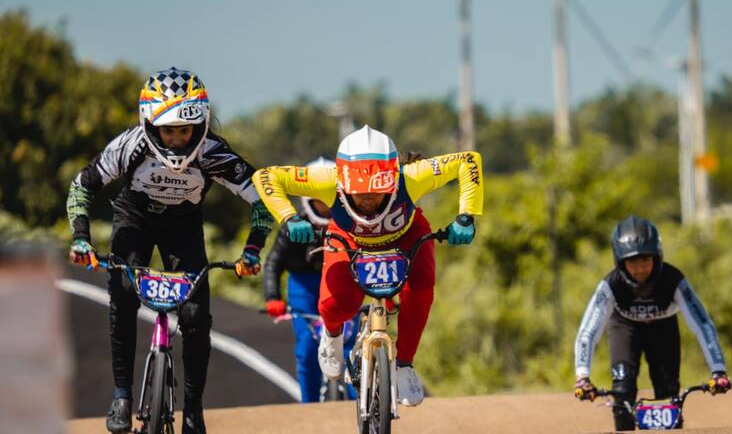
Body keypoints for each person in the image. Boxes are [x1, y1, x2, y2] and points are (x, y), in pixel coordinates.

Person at [66, 67, 272, 434]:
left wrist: (253, 250)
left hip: (184, 229)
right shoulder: (131, 145)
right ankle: (121, 396)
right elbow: (82, 186)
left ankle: (193, 410)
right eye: (168, 130)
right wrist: (81, 238)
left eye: (185, 130)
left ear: (201, 125)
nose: (177, 140)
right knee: (123, 296)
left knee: (195, 316)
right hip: (134, 221)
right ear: (149, 124)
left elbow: (263, 200)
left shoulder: (213, 153)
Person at [253, 125, 483, 407]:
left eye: (378, 191)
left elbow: (468, 161)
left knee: (421, 288)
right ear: (342, 182)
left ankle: (405, 365)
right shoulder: (326, 180)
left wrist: (466, 216)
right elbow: (265, 176)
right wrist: (289, 218)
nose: (369, 200)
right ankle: (333, 334)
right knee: (336, 305)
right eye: (359, 192)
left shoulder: (411, 177)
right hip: (349, 238)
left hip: (406, 236)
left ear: (393, 177)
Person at [573, 215, 731, 431]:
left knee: (668, 395)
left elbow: (702, 324)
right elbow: (588, 332)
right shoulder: (611, 285)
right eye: (632, 262)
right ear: (620, 262)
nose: (640, 269)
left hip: (663, 329)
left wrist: (718, 371)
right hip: (624, 328)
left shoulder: (673, 280)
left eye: (645, 260)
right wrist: (582, 376)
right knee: (622, 393)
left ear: (657, 257)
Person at [263, 156, 357, 403]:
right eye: (319, 198)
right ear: (307, 197)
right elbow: (273, 262)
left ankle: (362, 404)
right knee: (306, 349)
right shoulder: (292, 224)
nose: (326, 205)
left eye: (330, 198)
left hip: (342, 283)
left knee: (351, 348)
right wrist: (273, 297)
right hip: (303, 287)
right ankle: (309, 406)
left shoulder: (353, 223)